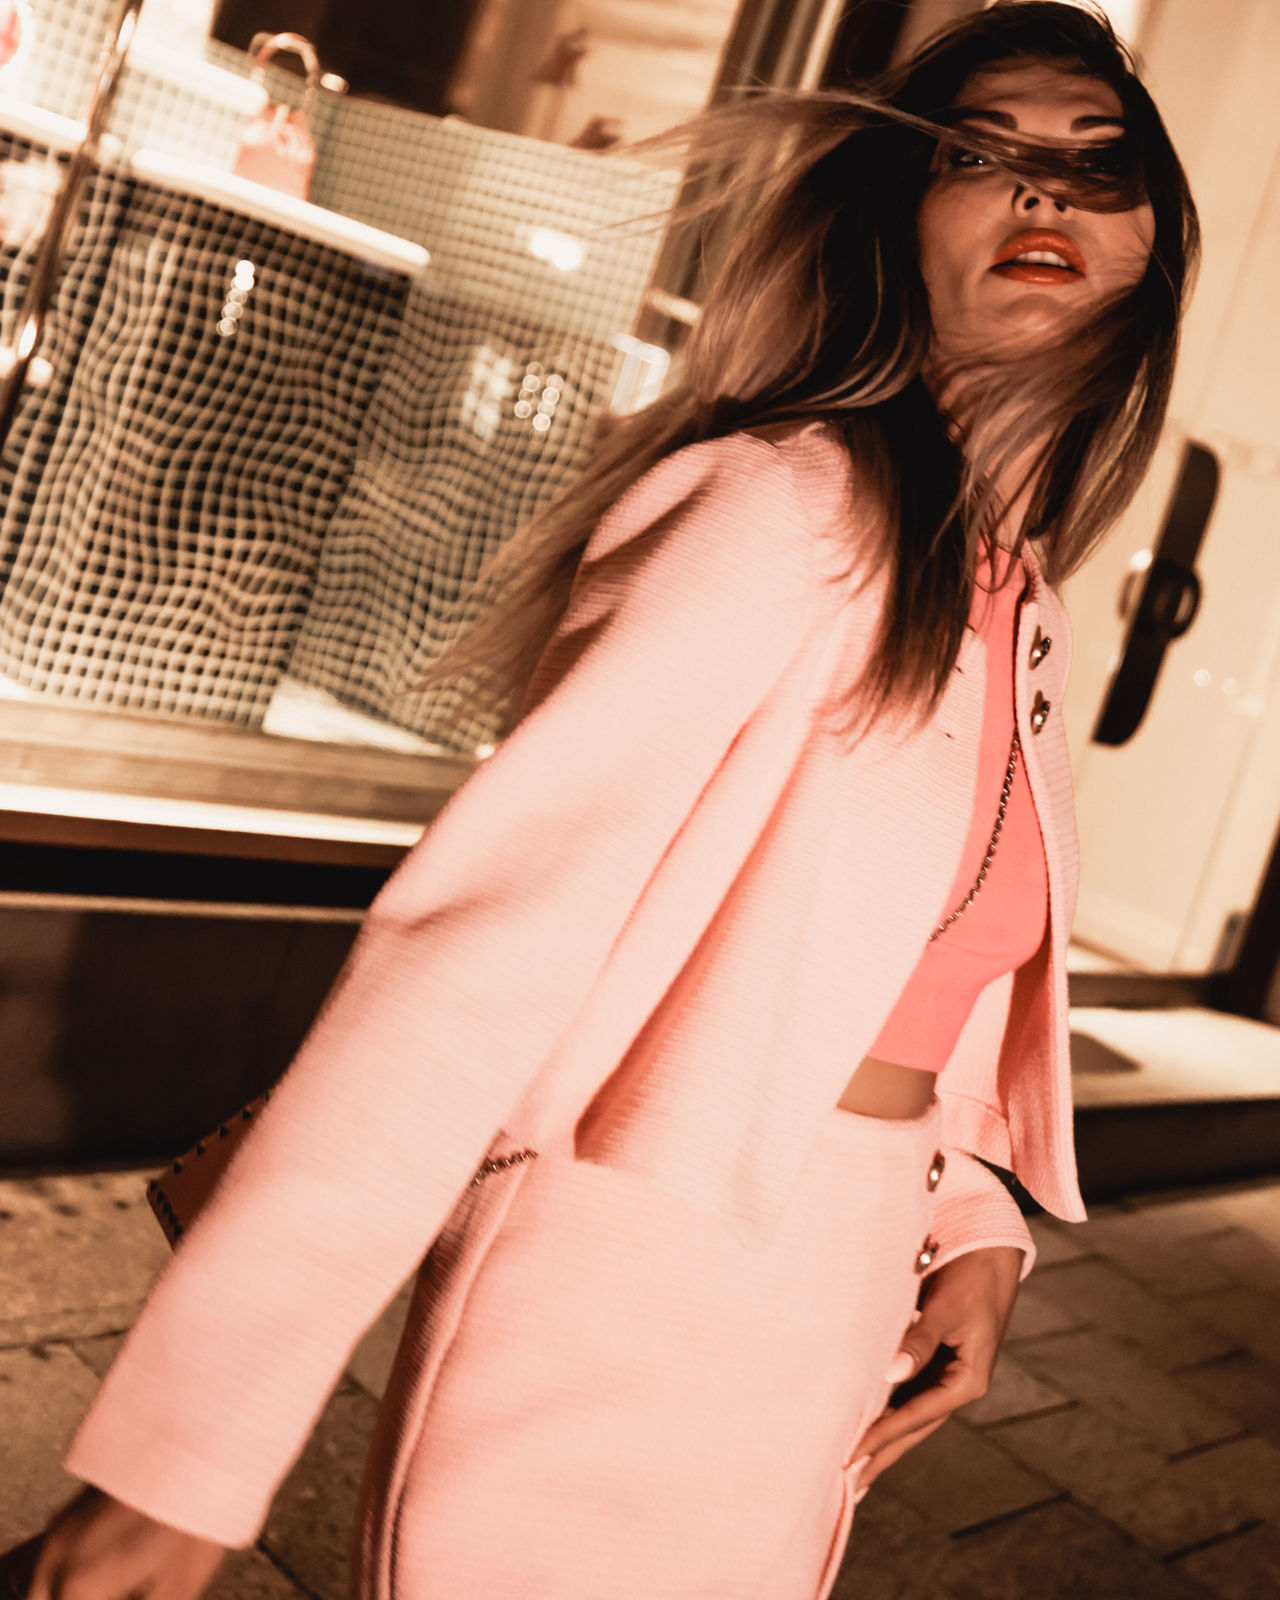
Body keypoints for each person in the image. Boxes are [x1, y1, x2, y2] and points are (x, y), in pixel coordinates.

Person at [16, 3, 1197, 1596]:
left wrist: (971, 1219)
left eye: (1092, 165)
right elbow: (472, 958)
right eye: (980, 159)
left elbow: (925, 984)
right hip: (614, 1284)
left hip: (829, 1304)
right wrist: (194, 1446)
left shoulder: (1025, 605)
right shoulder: (781, 506)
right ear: (895, 221)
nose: (1041, 195)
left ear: (1156, 241)